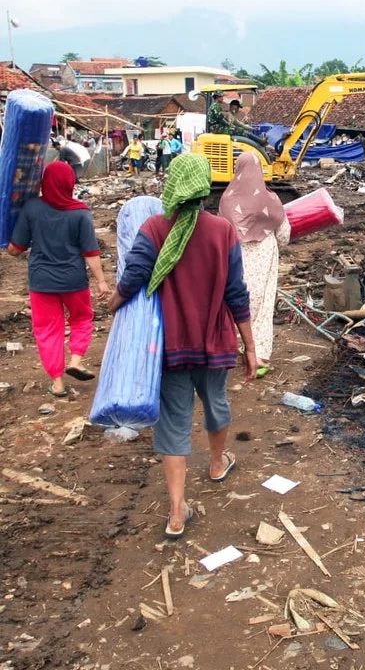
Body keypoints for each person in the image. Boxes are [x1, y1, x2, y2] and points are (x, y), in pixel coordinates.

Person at [109, 154, 256, 539]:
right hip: (214, 344)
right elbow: (236, 294)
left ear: (173, 185)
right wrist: (251, 348)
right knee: (216, 403)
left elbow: (133, 276)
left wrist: (112, 305)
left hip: (169, 347)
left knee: (173, 421)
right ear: (204, 187)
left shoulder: (155, 228)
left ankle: (177, 511)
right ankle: (216, 463)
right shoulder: (223, 231)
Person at [7, 162, 110, 397]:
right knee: (82, 318)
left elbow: (16, 248)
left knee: (47, 330)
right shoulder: (81, 212)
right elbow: (90, 251)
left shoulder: (32, 208)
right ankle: (75, 360)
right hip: (74, 280)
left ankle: (57, 383)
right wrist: (101, 281)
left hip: (41, 282)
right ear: (70, 183)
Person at [219, 153, 289, 376]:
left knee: (237, 302)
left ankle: (237, 347)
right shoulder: (270, 199)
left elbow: (221, 233)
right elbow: (284, 235)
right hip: (265, 255)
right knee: (264, 304)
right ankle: (259, 356)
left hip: (236, 258)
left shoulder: (226, 199)